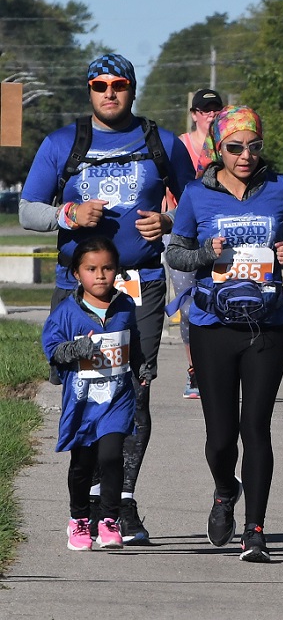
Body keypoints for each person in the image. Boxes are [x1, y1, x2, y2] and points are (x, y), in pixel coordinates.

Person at [20, 53, 196, 544]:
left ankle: (120, 504)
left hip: (140, 284)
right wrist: (68, 214)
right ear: (90, 90)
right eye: (100, 85)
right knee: (86, 386)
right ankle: (87, 503)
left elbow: (198, 203)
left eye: (119, 84)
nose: (110, 92)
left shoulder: (162, 142)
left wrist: (169, 221)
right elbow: (28, 210)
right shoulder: (63, 142)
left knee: (135, 387)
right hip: (77, 288)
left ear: (132, 89)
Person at [165, 105, 283, 563]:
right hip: (213, 327)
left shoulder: (280, 187)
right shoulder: (196, 194)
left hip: (267, 325)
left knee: (256, 428)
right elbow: (176, 254)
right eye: (235, 147)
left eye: (254, 146)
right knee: (221, 437)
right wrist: (205, 254)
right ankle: (225, 490)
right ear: (217, 148)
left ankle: (255, 531)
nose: (245, 155)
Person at [41, 236, 146, 551]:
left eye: (108, 268)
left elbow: (133, 340)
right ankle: (79, 519)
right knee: (83, 464)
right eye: (91, 269)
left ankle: (109, 520)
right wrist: (77, 349)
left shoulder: (125, 304)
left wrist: (142, 367)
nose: (100, 275)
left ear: (117, 270)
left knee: (112, 456)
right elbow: (52, 349)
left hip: (117, 398)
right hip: (83, 402)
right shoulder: (66, 311)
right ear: (76, 273)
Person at [166, 88, 224, 399]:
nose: (211, 114)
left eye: (216, 109)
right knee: (188, 305)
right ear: (194, 114)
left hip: (219, 232)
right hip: (184, 231)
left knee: (222, 299)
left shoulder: (230, 144)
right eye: (204, 110)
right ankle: (194, 370)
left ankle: (222, 368)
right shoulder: (180, 145)